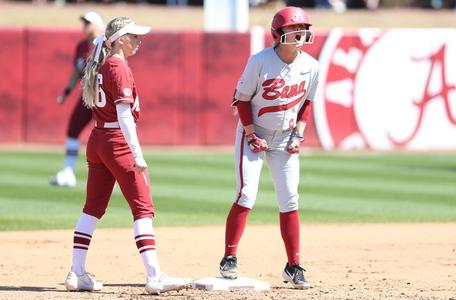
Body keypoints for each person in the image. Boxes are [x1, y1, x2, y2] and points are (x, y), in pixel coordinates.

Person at [63, 16, 190, 294]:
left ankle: (77, 272)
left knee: (92, 208)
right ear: (120, 39)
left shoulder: (104, 64)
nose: (138, 41)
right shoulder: (118, 67)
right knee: (143, 208)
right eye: (133, 36)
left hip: (98, 139)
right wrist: (137, 153)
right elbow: (124, 115)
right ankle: (155, 276)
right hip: (116, 141)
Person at [219, 6, 319, 290]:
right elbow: (241, 99)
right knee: (246, 193)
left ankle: (293, 265)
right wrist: (250, 133)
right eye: (292, 29)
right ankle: (229, 257)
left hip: (285, 137)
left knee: (290, 199)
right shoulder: (260, 61)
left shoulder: (312, 65)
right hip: (255, 132)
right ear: (278, 33)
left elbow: (307, 103)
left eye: (302, 28)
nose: (300, 33)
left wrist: (298, 133)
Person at [50, 11, 105, 188]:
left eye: (88, 23)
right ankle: (68, 171)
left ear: (97, 25)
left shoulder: (104, 44)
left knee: (109, 135)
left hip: (104, 98)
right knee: (73, 129)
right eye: (84, 23)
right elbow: (76, 72)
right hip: (88, 97)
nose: (85, 27)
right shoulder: (82, 46)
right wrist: (66, 93)